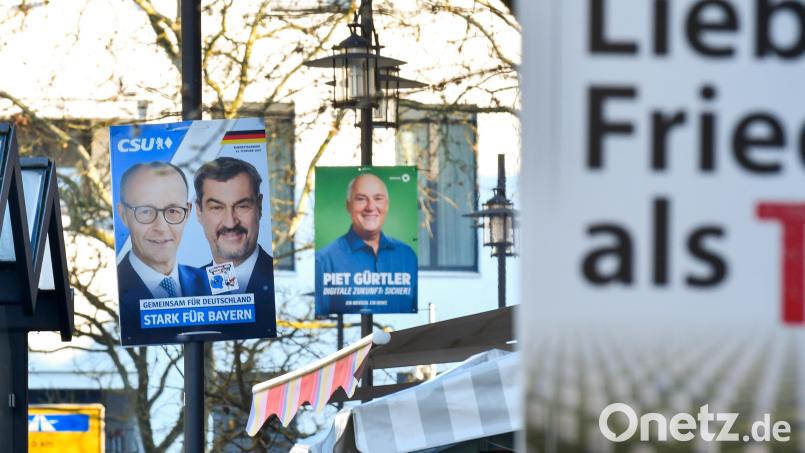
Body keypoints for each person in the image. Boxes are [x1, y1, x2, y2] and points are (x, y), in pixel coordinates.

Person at [116, 162, 210, 344]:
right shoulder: (111, 293)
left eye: (173, 210)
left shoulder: (209, 285)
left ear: (188, 212)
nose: (161, 227)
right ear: (124, 215)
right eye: (145, 211)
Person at [316, 172, 418, 315]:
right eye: (361, 199)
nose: (370, 207)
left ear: (387, 205)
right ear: (348, 206)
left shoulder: (407, 256)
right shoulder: (325, 260)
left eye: (378, 198)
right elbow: (324, 320)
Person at [194, 157, 275, 327]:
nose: (230, 223)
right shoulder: (185, 290)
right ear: (199, 211)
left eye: (242, 206)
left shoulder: (279, 281)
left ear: (259, 207)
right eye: (217, 208)